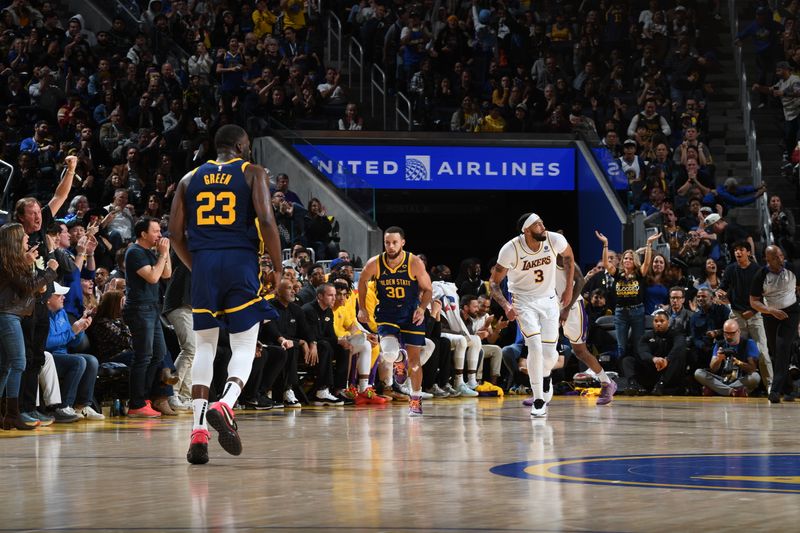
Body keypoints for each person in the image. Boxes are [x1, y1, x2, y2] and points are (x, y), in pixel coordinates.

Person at [170, 124, 283, 464]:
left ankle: (198, 432)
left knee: (204, 346)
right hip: (240, 260)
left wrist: (197, 265)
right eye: (248, 144)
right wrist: (278, 267)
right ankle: (227, 403)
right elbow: (265, 219)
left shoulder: (188, 179)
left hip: (204, 264)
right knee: (245, 345)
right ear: (239, 145)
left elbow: (175, 234)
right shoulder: (253, 172)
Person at [490, 213, 575, 418]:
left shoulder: (554, 239)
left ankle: (546, 376)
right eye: (538, 225)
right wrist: (506, 305)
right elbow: (493, 283)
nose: (543, 227)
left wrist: (569, 289)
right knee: (534, 346)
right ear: (526, 230)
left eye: (542, 223)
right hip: (523, 302)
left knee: (550, 354)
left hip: (548, 300)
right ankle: (538, 399)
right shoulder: (510, 249)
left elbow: (569, 258)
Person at [357, 226, 433, 416]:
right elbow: (362, 282)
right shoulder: (375, 263)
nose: (390, 246)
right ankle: (399, 359)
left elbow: (428, 289)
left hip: (411, 313)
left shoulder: (414, 262)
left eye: (394, 243)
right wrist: (362, 308)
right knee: (389, 354)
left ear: (403, 243)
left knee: (415, 361)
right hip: (387, 312)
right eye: (387, 243)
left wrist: (422, 309)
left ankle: (415, 399)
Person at [0, 224, 59, 430]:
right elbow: (30, 286)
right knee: (18, 363)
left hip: (13, 314)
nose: (28, 238)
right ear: (14, 240)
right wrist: (50, 270)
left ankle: (8, 415)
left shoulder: (14, 261)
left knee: (6, 366)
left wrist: (30, 267)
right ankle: (12, 415)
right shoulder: (6, 261)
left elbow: (32, 286)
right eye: (24, 236)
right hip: (8, 315)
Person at [123, 216, 172, 418]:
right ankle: (136, 402)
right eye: (155, 231)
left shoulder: (150, 252)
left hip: (152, 308)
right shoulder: (134, 252)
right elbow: (152, 277)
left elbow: (166, 274)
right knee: (143, 356)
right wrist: (161, 256)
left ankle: (145, 397)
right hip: (139, 309)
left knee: (158, 354)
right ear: (143, 234)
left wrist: (165, 253)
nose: (160, 235)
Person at [717, 242, 773, 390]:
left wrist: (754, 310)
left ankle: (770, 386)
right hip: (736, 315)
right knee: (735, 351)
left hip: (754, 315)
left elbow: (765, 294)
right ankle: (737, 384)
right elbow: (722, 288)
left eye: (741, 250)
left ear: (748, 252)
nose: (738, 253)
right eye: (735, 250)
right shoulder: (730, 269)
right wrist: (719, 293)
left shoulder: (758, 270)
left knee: (762, 352)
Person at [749, 246, 800, 403]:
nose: (780, 259)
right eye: (776, 257)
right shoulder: (761, 275)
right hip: (770, 315)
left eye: (781, 255)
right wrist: (770, 310)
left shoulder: (792, 268)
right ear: (768, 259)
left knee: (783, 346)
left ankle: (775, 390)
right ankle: (789, 389)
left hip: (790, 313)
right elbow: (753, 302)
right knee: (776, 351)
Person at [694, 319, 761, 397]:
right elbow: (713, 369)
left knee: (755, 377)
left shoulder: (748, 343)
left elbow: (752, 369)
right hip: (722, 379)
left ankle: (717, 390)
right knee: (698, 373)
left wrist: (738, 362)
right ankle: (733, 391)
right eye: (726, 333)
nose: (729, 336)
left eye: (732, 333)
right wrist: (718, 360)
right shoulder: (719, 344)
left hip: (740, 379)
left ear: (738, 331)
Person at [632, 309, 687, 395]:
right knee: (627, 359)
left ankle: (661, 384)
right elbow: (642, 351)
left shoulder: (676, 334)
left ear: (668, 322)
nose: (658, 324)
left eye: (662, 321)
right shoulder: (647, 336)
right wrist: (654, 359)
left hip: (669, 370)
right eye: (656, 321)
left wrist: (667, 360)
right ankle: (634, 386)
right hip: (653, 367)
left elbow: (679, 346)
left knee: (679, 356)